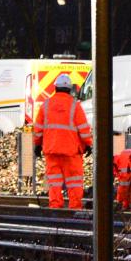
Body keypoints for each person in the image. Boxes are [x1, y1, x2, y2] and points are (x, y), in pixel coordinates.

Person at [34, 72, 94, 209]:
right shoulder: (75, 106)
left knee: (54, 183)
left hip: (52, 151)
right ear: (69, 89)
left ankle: (55, 208)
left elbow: (38, 129)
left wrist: (37, 145)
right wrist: (89, 144)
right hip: (71, 152)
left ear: (55, 88)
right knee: (74, 183)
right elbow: (83, 129)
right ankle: (75, 209)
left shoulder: (46, 105)